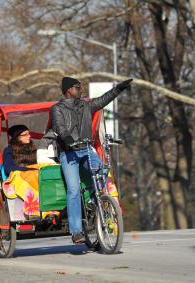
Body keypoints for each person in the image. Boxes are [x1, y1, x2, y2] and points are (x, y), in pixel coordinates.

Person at [51, 76, 132, 244]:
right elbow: (60, 127)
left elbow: (103, 100)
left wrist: (118, 88)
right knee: (73, 190)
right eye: (77, 87)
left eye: (80, 87)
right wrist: (67, 140)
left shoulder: (86, 105)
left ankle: (93, 202)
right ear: (68, 90)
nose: (80, 90)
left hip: (86, 148)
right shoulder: (57, 108)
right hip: (69, 153)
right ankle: (76, 232)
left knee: (102, 170)